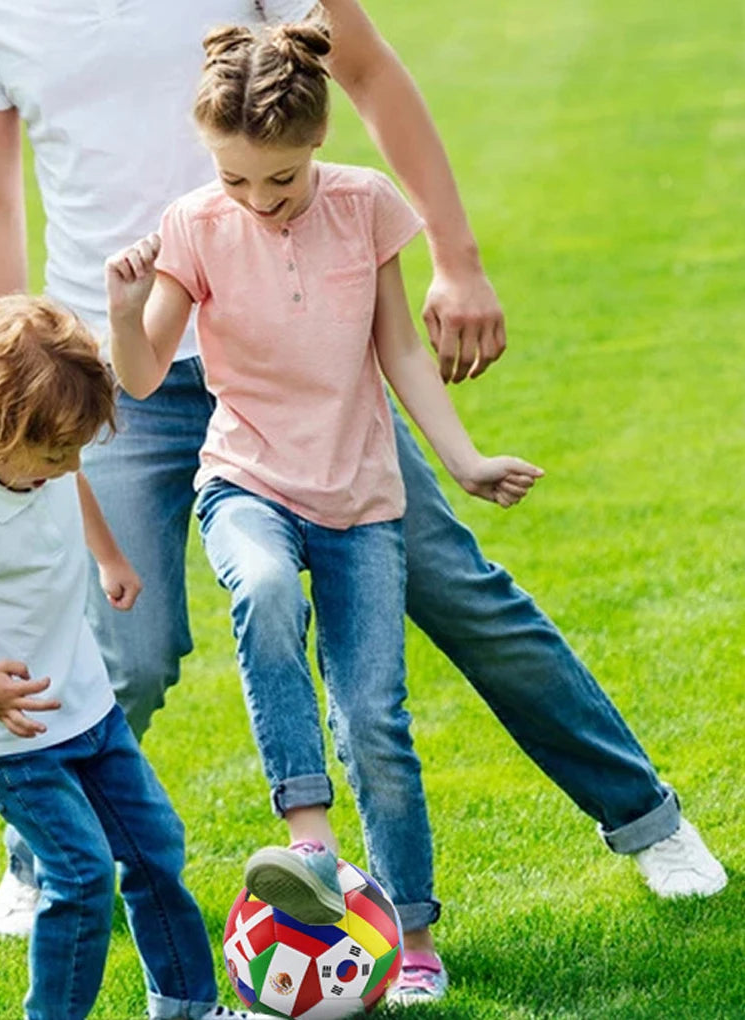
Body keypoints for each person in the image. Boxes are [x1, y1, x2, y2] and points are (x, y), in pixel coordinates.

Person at [0, 0, 725, 989]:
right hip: (118, 368)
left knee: (457, 589)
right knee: (124, 651)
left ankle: (646, 819)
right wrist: (10, 378)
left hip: (302, 361)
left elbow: (370, 70)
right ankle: (43, 856)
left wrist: (457, 259)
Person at [104, 20, 547, 1005]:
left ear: (316, 143)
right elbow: (138, 377)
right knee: (262, 586)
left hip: (360, 498)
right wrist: (126, 312)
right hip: (246, 479)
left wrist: (465, 461)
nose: (258, 200)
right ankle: (308, 839)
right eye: (235, 178)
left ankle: (412, 936)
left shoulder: (365, 206)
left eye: (281, 179)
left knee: (375, 724)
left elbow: (398, 352)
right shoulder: (194, 225)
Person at [0, 294, 255, 1020]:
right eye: (57, 454)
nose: (72, 464)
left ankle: (186, 1005)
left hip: (88, 704)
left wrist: (109, 557)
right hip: (12, 734)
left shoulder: (47, 464)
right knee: (82, 876)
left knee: (155, 848)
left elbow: (74, 482)